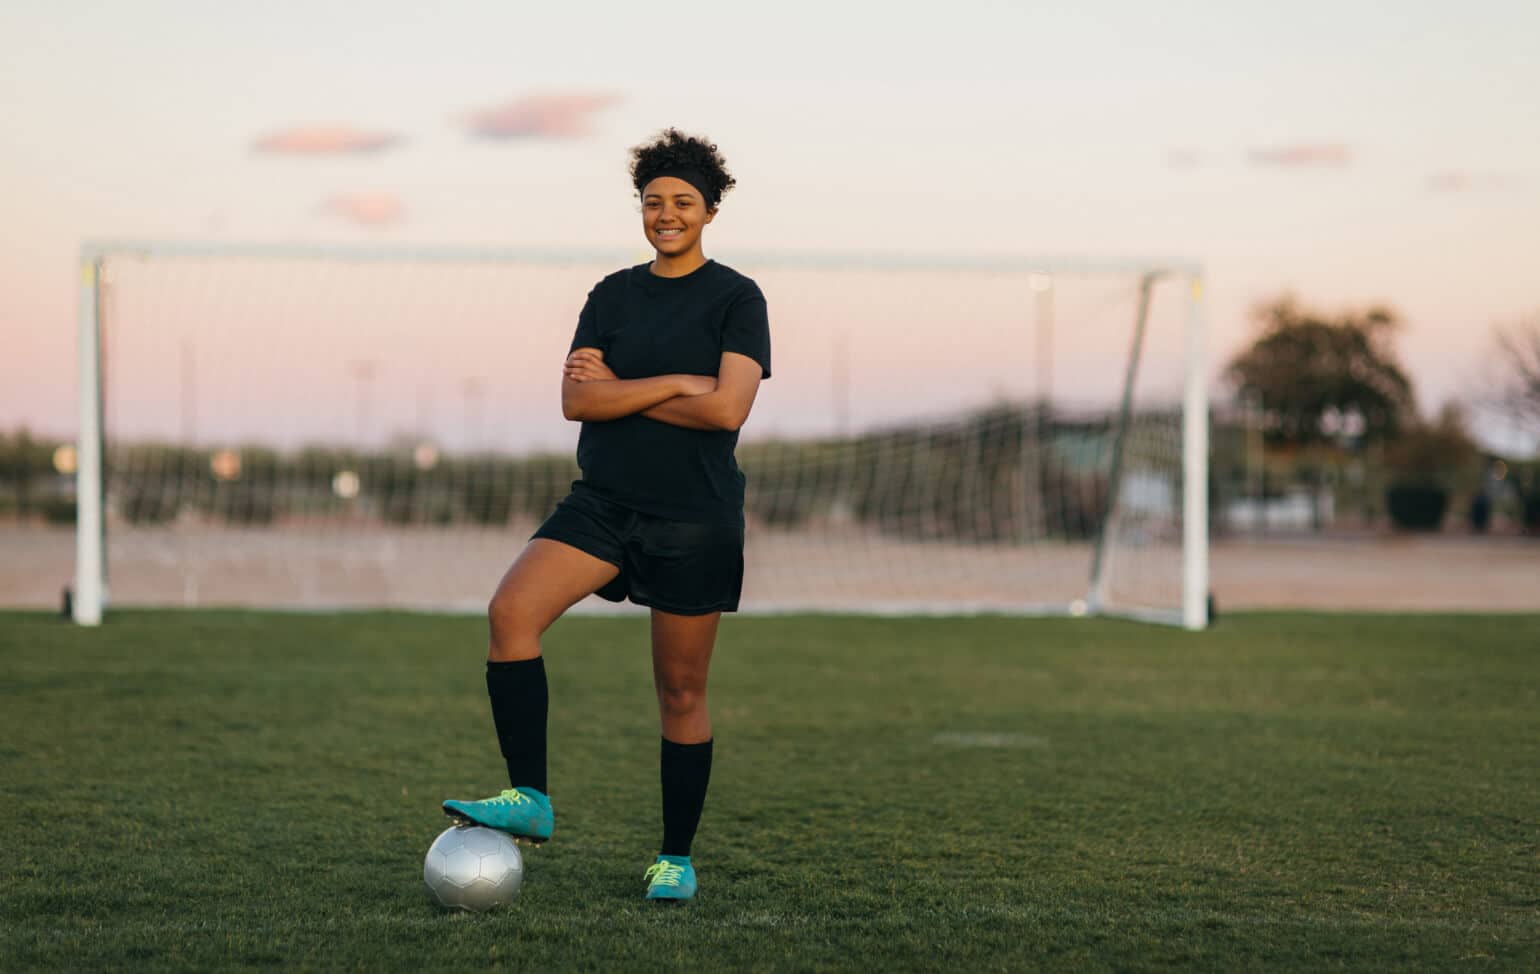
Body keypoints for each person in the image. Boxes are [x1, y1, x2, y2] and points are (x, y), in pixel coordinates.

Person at [441, 128, 770, 903]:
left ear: (710, 211)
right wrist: (677, 380)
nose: (667, 214)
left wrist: (629, 384)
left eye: (683, 201)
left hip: (695, 517)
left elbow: (727, 410)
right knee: (510, 613)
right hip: (602, 503)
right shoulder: (611, 295)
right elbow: (576, 401)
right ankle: (530, 796)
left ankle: (674, 859)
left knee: (681, 691)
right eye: (654, 201)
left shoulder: (737, 297)